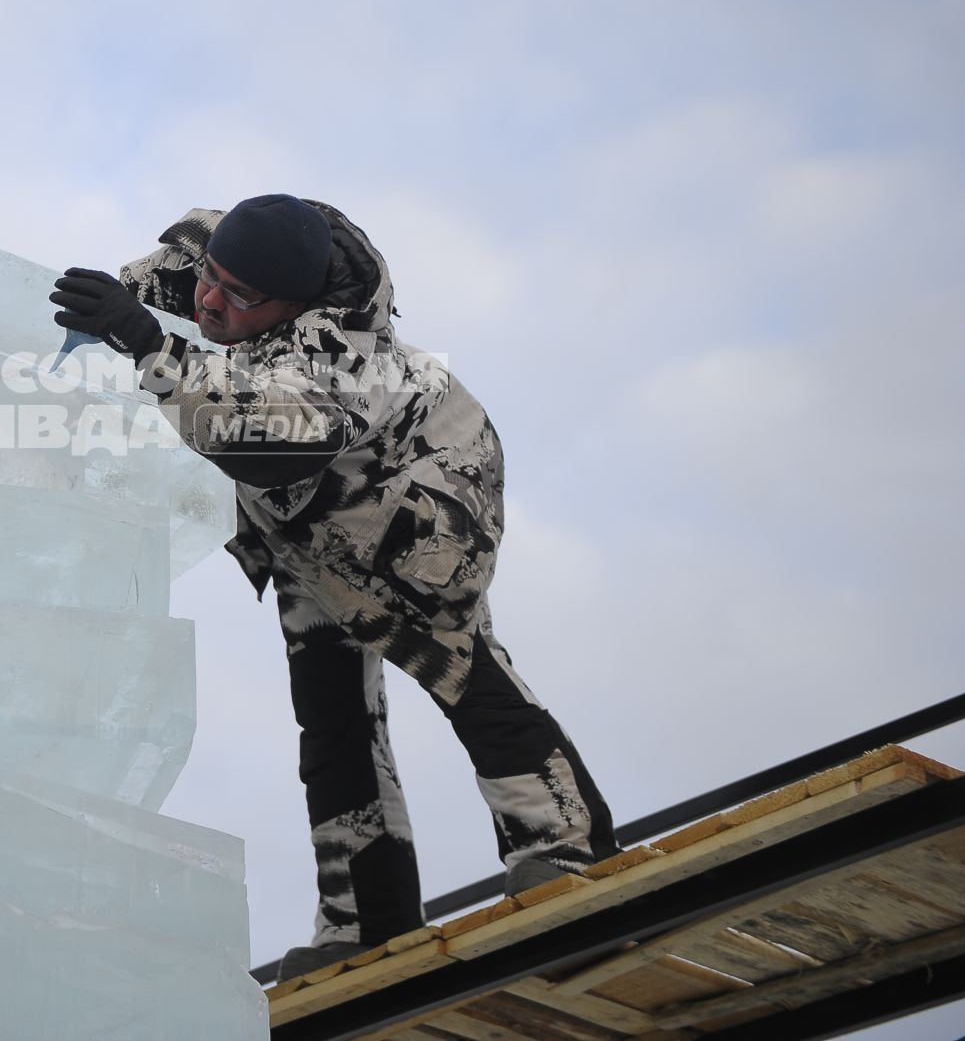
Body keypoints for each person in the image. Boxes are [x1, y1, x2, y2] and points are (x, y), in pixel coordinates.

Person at [51, 193, 616, 980]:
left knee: (459, 668)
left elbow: (267, 441)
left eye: (240, 297)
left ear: (293, 303)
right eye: (212, 280)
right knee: (332, 719)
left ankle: (566, 847)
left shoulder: (345, 351)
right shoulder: (214, 268)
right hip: (308, 530)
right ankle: (366, 914)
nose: (212, 301)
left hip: (422, 503)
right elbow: (145, 292)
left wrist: (151, 346)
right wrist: (93, 313)